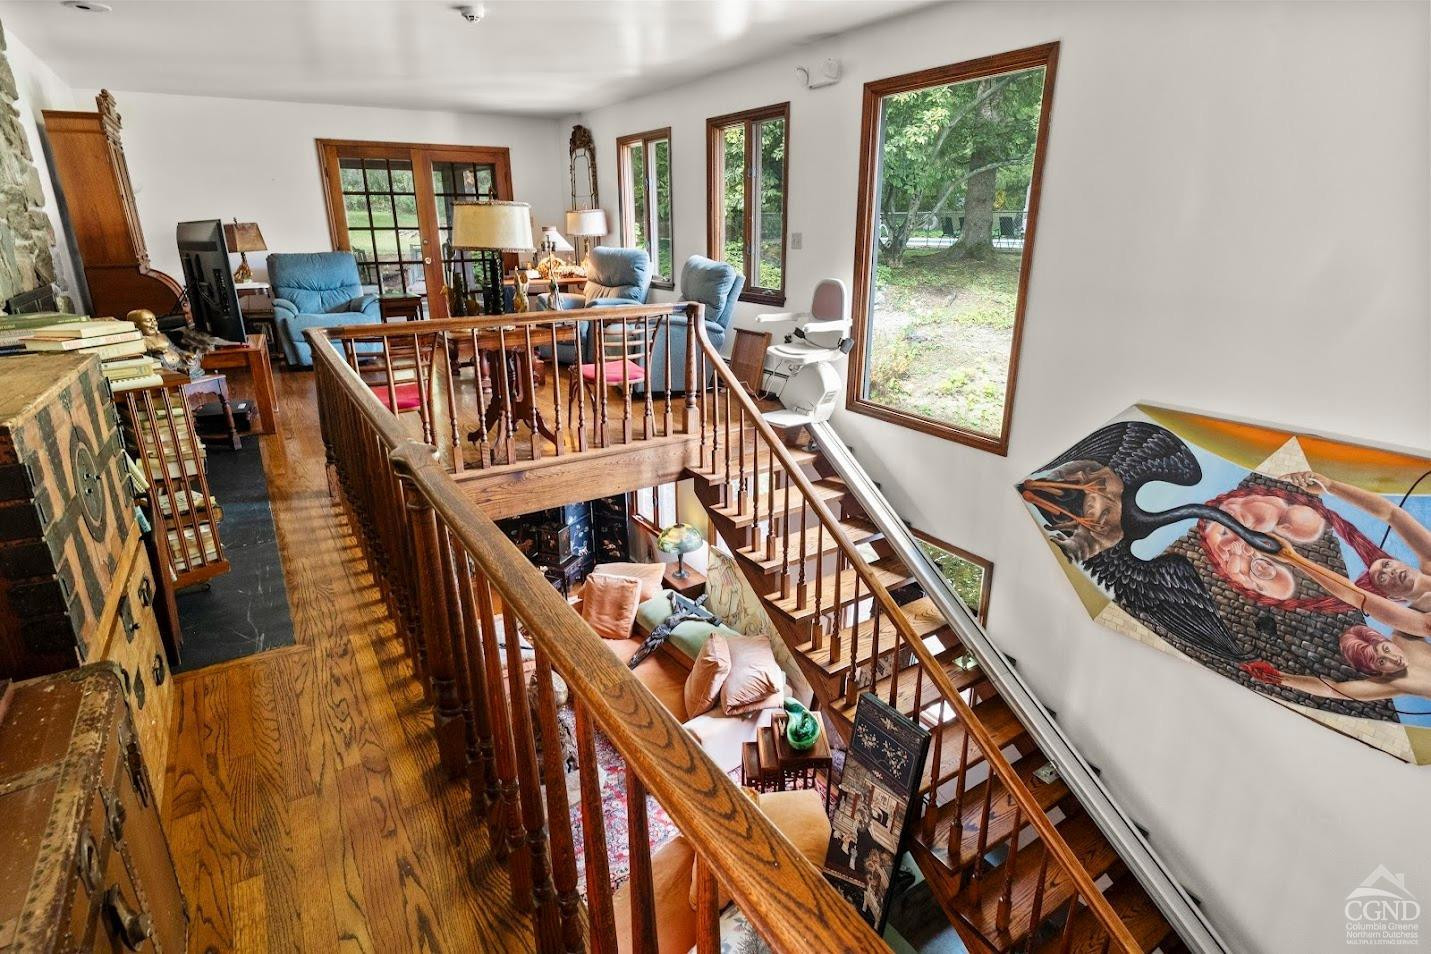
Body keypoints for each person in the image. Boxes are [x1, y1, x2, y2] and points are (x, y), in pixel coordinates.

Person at [1278, 471, 1431, 636]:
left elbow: (1391, 513)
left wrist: (1330, 486)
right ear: (1394, 598)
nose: (1391, 571)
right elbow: (1354, 595)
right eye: (1382, 578)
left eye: (1387, 564)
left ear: (1400, 561)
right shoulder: (1422, 622)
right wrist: (1292, 557)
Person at [1243, 625, 1431, 702]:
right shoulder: (1392, 683)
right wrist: (1279, 677)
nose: (1394, 659)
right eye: (1382, 661)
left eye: (1386, 649)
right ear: (1374, 670)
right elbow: (1332, 690)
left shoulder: (1404, 635)